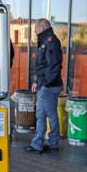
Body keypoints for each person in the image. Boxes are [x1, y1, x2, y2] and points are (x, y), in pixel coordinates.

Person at [24, 18, 63, 154]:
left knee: (51, 115)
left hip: (49, 87)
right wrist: (37, 81)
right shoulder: (45, 41)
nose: (34, 30)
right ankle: (37, 144)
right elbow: (43, 66)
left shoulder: (50, 42)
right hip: (44, 85)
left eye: (35, 28)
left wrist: (46, 84)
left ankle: (52, 143)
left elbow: (54, 66)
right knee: (40, 114)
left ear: (41, 28)